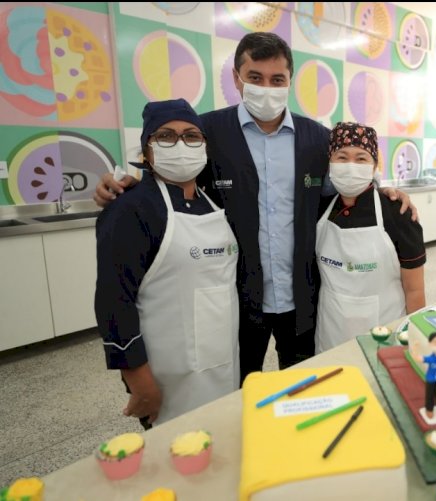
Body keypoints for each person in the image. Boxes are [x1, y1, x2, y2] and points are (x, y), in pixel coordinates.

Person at [95, 33, 415, 381]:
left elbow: (347, 182)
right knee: (237, 387)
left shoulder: (316, 139)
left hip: (303, 297)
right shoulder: (209, 133)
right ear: (237, 78)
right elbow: (175, 173)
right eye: (255, 78)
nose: (267, 87)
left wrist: (386, 192)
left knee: (304, 384)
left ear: (289, 81)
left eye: (277, 80)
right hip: (238, 298)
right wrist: (128, 184)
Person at [95, 99, 239, 427]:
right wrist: (137, 378)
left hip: (222, 357)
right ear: (147, 151)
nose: (181, 145)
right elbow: (114, 301)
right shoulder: (130, 209)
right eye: (166, 137)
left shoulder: (210, 201)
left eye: (191, 136)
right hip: (168, 370)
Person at [315, 122, 426, 353]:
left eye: (361, 158)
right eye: (342, 157)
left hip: (382, 335)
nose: (350, 166)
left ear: (374, 165)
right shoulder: (320, 209)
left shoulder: (398, 214)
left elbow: (414, 290)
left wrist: (414, 340)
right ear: (330, 162)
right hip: (330, 332)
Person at [409, 332, 436, 419]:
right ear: (430, 344)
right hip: (431, 379)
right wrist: (415, 348)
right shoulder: (430, 358)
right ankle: (429, 409)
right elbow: (417, 358)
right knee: (430, 395)